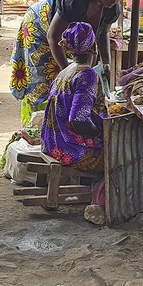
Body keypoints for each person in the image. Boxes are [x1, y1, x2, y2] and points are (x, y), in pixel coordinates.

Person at [42, 23, 105, 173]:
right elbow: (78, 120)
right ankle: (106, 195)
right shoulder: (87, 74)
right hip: (69, 148)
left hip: (52, 142)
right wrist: (100, 132)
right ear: (93, 47)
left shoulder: (65, 71)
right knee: (122, 154)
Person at [46, 0, 127, 77]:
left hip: (66, 36)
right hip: (44, 25)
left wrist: (106, 62)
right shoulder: (75, 0)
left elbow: (103, 33)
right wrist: (67, 72)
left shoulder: (112, 9)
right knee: (49, 74)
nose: (114, 1)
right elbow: (53, 36)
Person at [10, 0, 59, 126]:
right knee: (37, 78)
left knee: (55, 75)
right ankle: (32, 128)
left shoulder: (109, 9)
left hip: (53, 31)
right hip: (36, 25)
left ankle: (45, 125)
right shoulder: (78, 5)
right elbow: (54, 37)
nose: (113, 0)